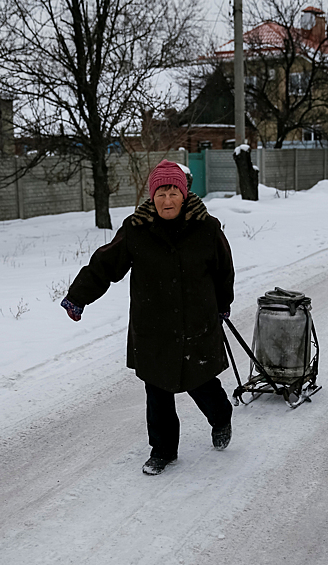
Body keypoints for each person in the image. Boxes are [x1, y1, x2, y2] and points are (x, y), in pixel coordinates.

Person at [60, 160, 235, 475]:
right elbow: (105, 265)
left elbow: (223, 272)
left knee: (202, 383)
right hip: (153, 329)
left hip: (196, 324)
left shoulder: (207, 228)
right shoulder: (136, 229)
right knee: (158, 392)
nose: (167, 201)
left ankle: (221, 417)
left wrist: (224, 304)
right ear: (151, 197)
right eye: (161, 194)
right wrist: (78, 297)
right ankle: (163, 451)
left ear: (184, 194)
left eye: (173, 193)